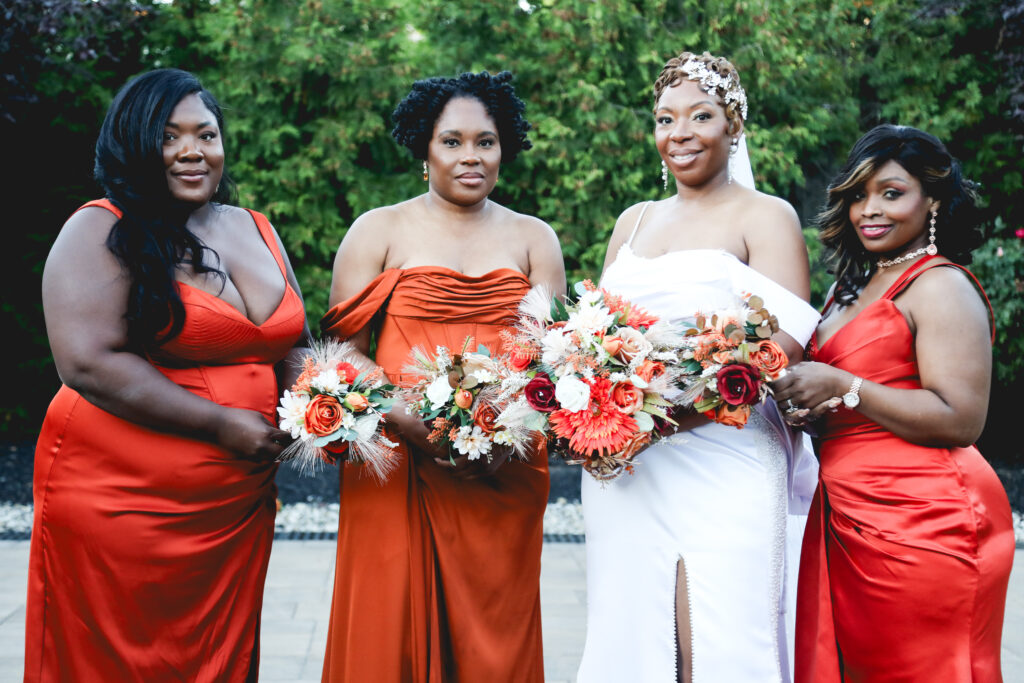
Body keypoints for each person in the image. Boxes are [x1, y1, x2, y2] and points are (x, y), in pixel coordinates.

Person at [25, 69, 311, 681]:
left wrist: (337, 410)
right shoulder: (98, 228)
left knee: (218, 658)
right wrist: (219, 423)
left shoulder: (254, 226)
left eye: (205, 134)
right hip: (123, 500)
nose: (191, 151)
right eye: (169, 136)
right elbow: (86, 362)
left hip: (233, 504)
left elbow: (293, 345)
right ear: (133, 143)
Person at [577, 51, 821, 683]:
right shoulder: (634, 221)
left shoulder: (766, 215)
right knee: (633, 628)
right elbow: (596, 333)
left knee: (720, 631)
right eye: (665, 119)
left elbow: (780, 348)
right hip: (629, 467)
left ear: (733, 124)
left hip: (724, 451)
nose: (678, 134)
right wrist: (587, 409)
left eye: (699, 116)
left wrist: (659, 420)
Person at [318, 71, 565, 682]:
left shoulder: (536, 239)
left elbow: (548, 361)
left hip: (502, 463)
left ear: (504, 147)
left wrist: (503, 426)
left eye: (486, 141)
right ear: (424, 150)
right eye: (451, 141)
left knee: (495, 640)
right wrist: (408, 417)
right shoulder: (378, 229)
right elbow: (339, 354)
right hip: (398, 455)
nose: (470, 156)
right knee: (388, 630)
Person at [771, 124, 1014, 682]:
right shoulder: (848, 288)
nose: (868, 210)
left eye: (890, 192)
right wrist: (808, 409)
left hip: (927, 518)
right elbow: (845, 395)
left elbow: (962, 418)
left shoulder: (941, 285)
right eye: (858, 194)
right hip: (847, 512)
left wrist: (842, 387)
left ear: (932, 199)